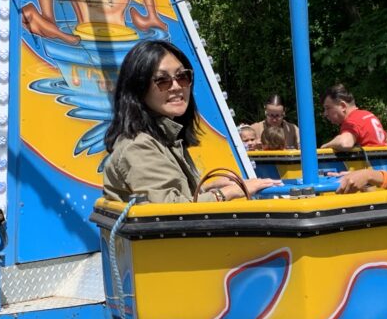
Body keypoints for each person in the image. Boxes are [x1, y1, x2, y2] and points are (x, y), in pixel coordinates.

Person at [103, 40, 281, 203]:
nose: (176, 86)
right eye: (162, 80)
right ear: (139, 88)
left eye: (182, 77)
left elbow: (172, 194)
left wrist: (207, 187)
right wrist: (231, 192)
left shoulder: (166, 139)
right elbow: (169, 209)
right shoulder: (138, 146)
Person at [320, 83, 387, 150]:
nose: (325, 114)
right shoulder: (368, 115)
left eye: (328, 108)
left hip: (370, 161)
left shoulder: (351, 122)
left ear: (342, 106)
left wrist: (325, 146)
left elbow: (345, 143)